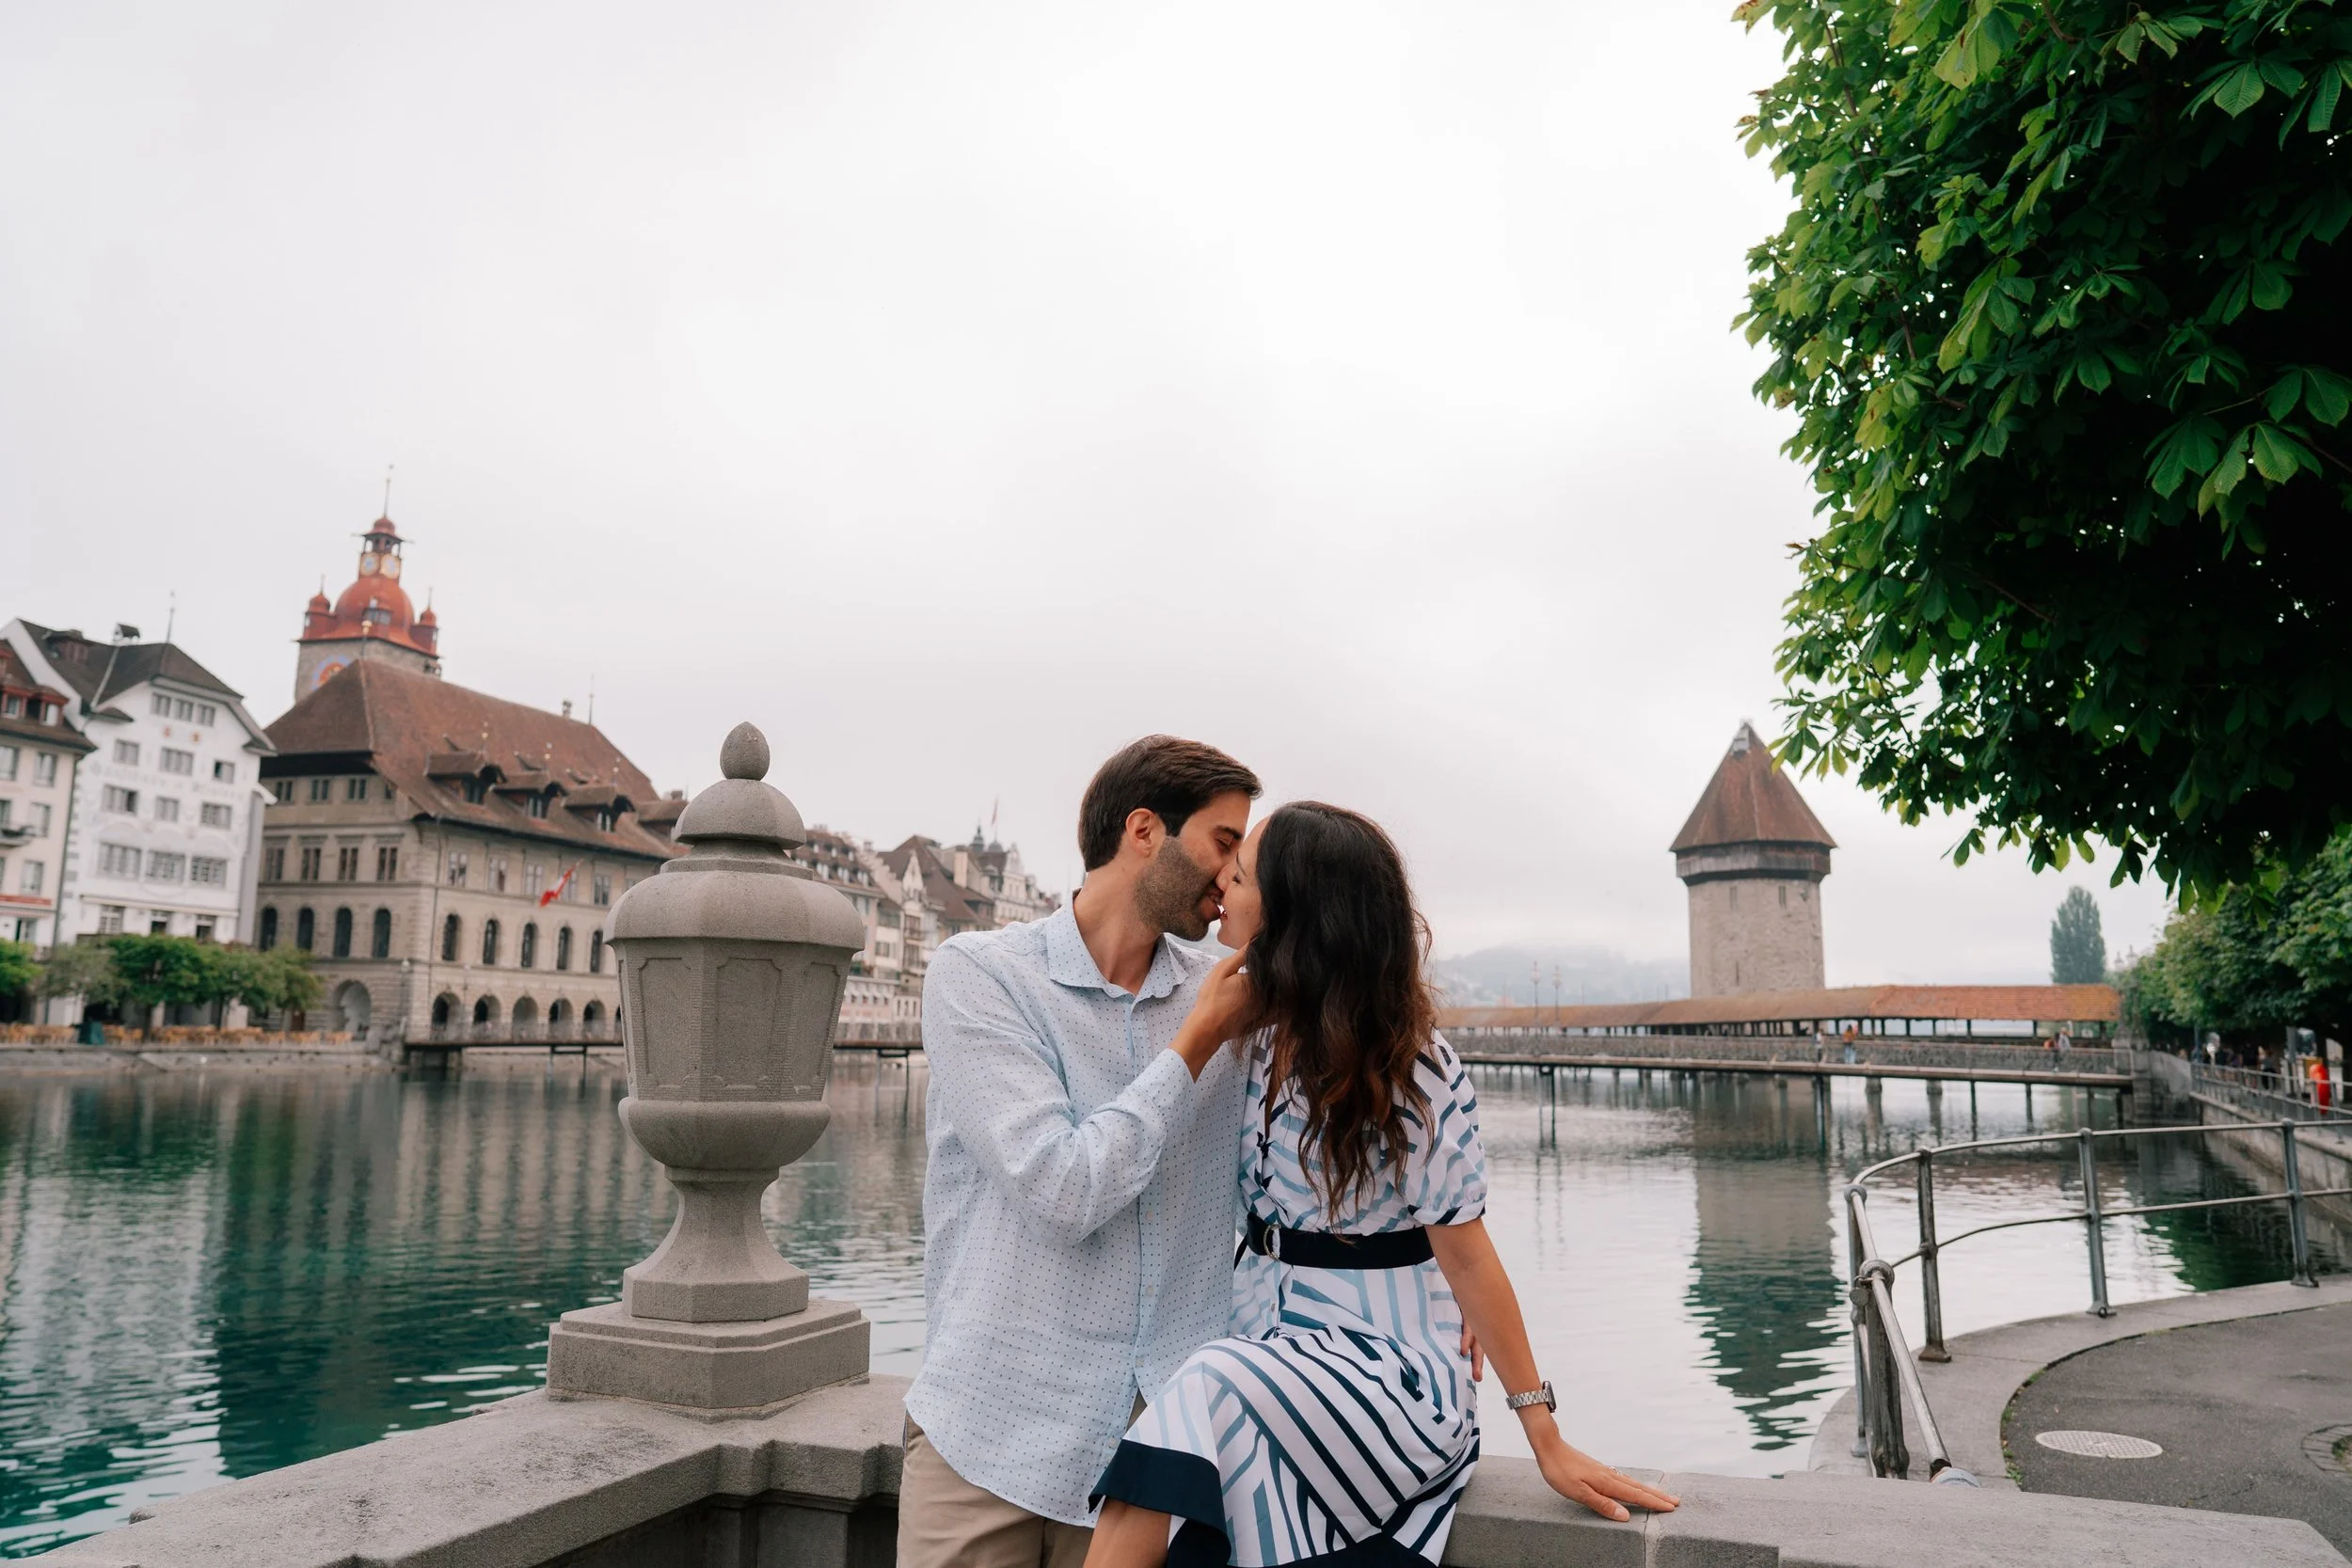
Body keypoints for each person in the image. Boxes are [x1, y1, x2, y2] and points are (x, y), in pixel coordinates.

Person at [1088, 803, 1677, 1567]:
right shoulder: (1250, 1027)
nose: (1221, 882)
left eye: (1241, 874)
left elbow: (1465, 1254)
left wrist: (1543, 1431)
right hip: (1271, 1347)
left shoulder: (1412, 1064)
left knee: (1203, 1386)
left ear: (1297, 909)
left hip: (1392, 1374)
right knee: (1190, 1437)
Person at [900, 736, 1262, 1568]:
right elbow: (1062, 1187)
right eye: (1223, 842)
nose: (1232, 875)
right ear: (1144, 830)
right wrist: (1193, 1047)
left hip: (1152, 1459)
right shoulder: (982, 976)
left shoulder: (1230, 998)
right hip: (986, 1441)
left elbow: (1300, 1174)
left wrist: (1429, 1276)